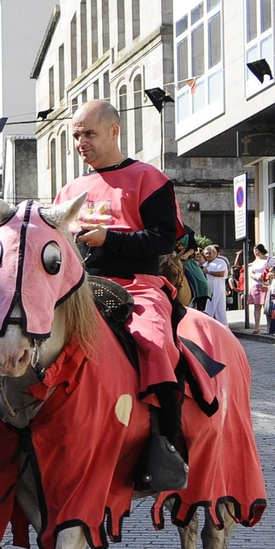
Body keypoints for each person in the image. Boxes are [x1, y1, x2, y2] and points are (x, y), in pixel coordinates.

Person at [55, 99, 187, 492]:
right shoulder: (69, 190)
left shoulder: (149, 177)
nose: (81, 142)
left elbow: (164, 238)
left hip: (137, 285)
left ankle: (165, 446)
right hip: (78, 289)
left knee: (158, 345)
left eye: (88, 133)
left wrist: (109, 238)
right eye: (76, 135)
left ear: (114, 131)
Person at [246, 244, 274, 334]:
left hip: (266, 286)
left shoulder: (269, 260)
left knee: (267, 307)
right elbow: (251, 273)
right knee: (257, 307)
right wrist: (256, 277)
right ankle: (257, 326)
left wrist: (269, 276)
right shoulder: (255, 262)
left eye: (254, 250)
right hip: (256, 285)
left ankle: (269, 326)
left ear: (257, 250)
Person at [202, 245, 230, 325]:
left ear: (215, 253)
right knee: (208, 311)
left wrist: (209, 272)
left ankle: (224, 331)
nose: (207, 255)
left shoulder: (220, 262)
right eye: (206, 254)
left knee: (220, 311)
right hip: (208, 292)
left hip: (218, 291)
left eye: (209, 253)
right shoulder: (204, 265)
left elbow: (222, 273)